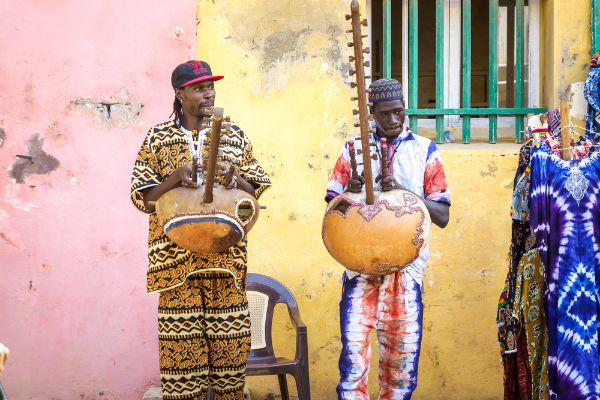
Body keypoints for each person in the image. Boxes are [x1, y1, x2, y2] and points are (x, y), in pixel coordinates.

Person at [130, 60, 271, 400]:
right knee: (182, 382)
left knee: (230, 382)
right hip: (177, 273)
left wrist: (234, 178)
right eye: (199, 87)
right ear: (180, 94)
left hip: (227, 269)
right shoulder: (157, 138)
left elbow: (255, 191)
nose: (208, 93)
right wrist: (175, 177)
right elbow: (143, 200)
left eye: (211, 86)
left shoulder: (234, 135)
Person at [325, 78, 451, 400]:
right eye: (385, 115)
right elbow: (332, 210)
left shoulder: (425, 151)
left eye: (398, 112)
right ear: (371, 113)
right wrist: (351, 192)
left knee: (402, 371)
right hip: (359, 273)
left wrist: (404, 192)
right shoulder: (353, 150)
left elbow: (442, 216)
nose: (393, 121)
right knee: (353, 367)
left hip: (406, 275)